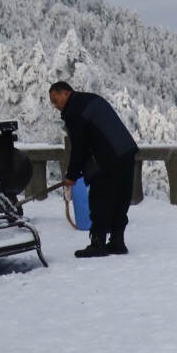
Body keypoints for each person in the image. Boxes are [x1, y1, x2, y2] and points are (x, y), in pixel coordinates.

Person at [49, 81, 137, 258]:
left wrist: (71, 175)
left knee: (101, 199)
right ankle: (117, 241)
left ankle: (98, 243)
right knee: (120, 198)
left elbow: (80, 146)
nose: (55, 106)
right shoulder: (90, 99)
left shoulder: (73, 111)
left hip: (107, 159)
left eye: (56, 100)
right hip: (127, 152)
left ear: (66, 93)